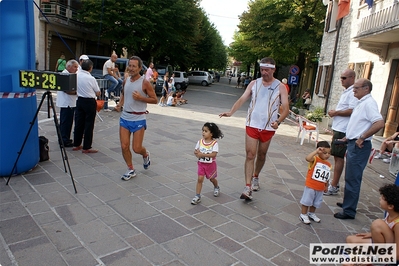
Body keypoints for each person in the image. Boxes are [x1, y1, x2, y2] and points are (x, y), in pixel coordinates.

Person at [219, 57, 290, 200]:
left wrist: (278, 121)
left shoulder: (280, 87)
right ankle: (247, 186)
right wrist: (231, 112)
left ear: (273, 69)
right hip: (252, 124)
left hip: (268, 126)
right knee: (250, 155)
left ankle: (256, 175)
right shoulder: (253, 83)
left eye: (267, 70)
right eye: (262, 70)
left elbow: (286, 108)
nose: (264, 72)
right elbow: (242, 99)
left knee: (262, 155)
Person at [334, 78, 384, 219]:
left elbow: (379, 123)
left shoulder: (369, 104)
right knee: (350, 176)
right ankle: (347, 203)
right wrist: (348, 137)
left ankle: (349, 211)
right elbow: (359, 124)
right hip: (353, 142)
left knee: (353, 178)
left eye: (357, 87)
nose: (354, 90)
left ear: (366, 89)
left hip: (359, 146)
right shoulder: (361, 103)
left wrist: (362, 137)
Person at [113, 56, 158, 181]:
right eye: (130, 66)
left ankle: (145, 154)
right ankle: (130, 169)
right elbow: (123, 93)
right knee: (124, 146)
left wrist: (141, 98)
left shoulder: (145, 83)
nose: (131, 68)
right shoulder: (126, 79)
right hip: (125, 117)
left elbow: (155, 100)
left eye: (134, 66)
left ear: (139, 68)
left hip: (138, 118)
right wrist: (120, 104)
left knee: (136, 148)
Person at [346, 184, 399, 264]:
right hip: (384, 244)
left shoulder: (397, 224)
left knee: (377, 224)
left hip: (391, 253)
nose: (379, 198)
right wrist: (372, 234)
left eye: (383, 198)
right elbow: (387, 231)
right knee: (350, 239)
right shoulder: (390, 213)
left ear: (391, 206)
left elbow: (397, 254)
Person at [324, 69, 357, 196]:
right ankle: (334, 183)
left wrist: (336, 113)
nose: (341, 80)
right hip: (339, 127)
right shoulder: (347, 91)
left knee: (339, 157)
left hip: (344, 129)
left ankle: (334, 185)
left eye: (344, 78)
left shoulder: (353, 92)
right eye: (341, 78)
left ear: (352, 78)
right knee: (336, 156)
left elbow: (351, 110)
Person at [299, 141, 332, 224]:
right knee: (307, 201)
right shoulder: (315, 159)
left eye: (329, 153)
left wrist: (326, 186)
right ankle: (303, 214)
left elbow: (326, 177)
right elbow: (307, 158)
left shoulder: (328, 164)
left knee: (316, 202)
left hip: (320, 187)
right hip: (311, 185)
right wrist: (316, 152)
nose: (327, 155)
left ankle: (311, 213)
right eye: (325, 153)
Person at [191, 122, 224, 205]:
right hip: (201, 164)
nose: (203, 133)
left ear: (211, 133)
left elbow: (214, 154)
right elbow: (195, 151)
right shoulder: (200, 142)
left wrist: (202, 154)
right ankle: (197, 196)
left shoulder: (214, 143)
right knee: (200, 179)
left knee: (212, 179)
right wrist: (197, 153)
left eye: (206, 131)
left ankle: (216, 187)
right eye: (203, 130)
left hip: (211, 165)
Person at [72, 59, 101, 154]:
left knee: (79, 123)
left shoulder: (76, 75)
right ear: (90, 68)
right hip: (89, 101)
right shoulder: (91, 78)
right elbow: (97, 91)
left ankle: (76, 144)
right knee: (89, 124)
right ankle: (86, 146)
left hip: (79, 100)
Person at [56, 59, 79, 147]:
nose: (76, 69)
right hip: (66, 103)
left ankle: (65, 138)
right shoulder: (64, 75)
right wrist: (78, 92)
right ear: (69, 66)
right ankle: (64, 140)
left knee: (68, 122)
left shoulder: (70, 75)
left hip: (70, 102)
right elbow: (67, 90)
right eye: (75, 67)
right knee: (65, 122)